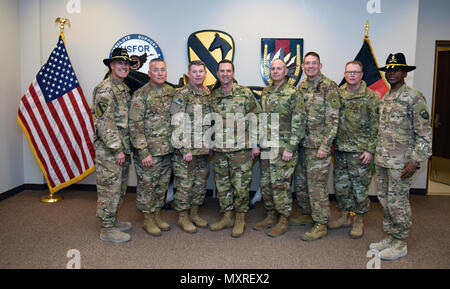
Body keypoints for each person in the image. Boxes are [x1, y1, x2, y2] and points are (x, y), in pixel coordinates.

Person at [369, 53, 432, 260]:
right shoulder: (386, 97)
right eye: (389, 69)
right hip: (383, 160)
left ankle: (401, 242)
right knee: (385, 200)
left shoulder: (414, 97)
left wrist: (415, 161)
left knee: (398, 203)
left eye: (396, 69)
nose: (391, 73)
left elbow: (425, 134)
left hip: (401, 163)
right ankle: (391, 236)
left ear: (404, 73)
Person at [253, 59, 305, 237]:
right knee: (266, 183)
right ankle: (270, 215)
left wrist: (291, 147)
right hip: (267, 146)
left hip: (284, 148)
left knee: (281, 184)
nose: (275, 71)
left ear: (286, 71)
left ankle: (283, 218)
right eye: (273, 68)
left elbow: (299, 122)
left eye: (279, 68)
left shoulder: (293, 93)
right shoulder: (267, 91)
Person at [209, 59, 261, 238]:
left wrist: (255, 144)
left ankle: (240, 218)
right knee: (223, 186)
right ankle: (227, 216)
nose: (225, 74)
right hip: (220, 151)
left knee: (240, 187)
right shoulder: (213, 96)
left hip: (241, 150)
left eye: (228, 71)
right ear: (217, 73)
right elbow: (209, 122)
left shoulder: (245, 94)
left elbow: (256, 119)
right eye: (222, 71)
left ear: (233, 73)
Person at [292, 51, 340, 241]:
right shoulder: (302, 86)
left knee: (317, 186)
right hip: (303, 145)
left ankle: (321, 223)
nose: (310, 66)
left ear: (320, 66)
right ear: (303, 67)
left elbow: (333, 119)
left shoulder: (329, 87)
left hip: (318, 146)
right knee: (302, 183)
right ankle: (308, 213)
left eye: (314, 63)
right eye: (307, 63)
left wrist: (325, 145)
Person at [329, 60, 379, 239]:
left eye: (355, 72)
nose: (352, 75)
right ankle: (344, 216)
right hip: (341, 150)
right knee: (341, 187)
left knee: (359, 188)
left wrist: (370, 150)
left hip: (360, 152)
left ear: (362, 75)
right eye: (349, 72)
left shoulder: (371, 96)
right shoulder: (338, 94)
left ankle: (358, 219)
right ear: (344, 74)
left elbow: (376, 125)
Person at [92, 48, 137, 243]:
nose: (124, 66)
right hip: (110, 151)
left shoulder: (122, 88)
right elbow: (104, 122)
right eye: (120, 63)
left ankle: (113, 220)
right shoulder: (106, 89)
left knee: (119, 188)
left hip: (122, 148)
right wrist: (116, 148)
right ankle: (107, 228)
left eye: (126, 64)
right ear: (111, 65)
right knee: (109, 188)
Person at [128, 58, 175, 237]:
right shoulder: (141, 95)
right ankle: (148, 219)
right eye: (156, 70)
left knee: (161, 187)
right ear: (149, 73)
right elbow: (135, 125)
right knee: (147, 187)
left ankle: (156, 215)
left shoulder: (171, 92)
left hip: (167, 151)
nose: (160, 73)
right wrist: (143, 152)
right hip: (149, 154)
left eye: (163, 70)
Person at [170, 60, 211, 234]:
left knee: (199, 184)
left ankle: (194, 213)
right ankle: (183, 217)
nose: (198, 74)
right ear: (189, 74)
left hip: (202, 149)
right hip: (186, 151)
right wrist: (184, 148)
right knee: (185, 185)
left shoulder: (207, 93)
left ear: (205, 73)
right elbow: (176, 121)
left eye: (201, 71)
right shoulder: (182, 94)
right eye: (194, 72)